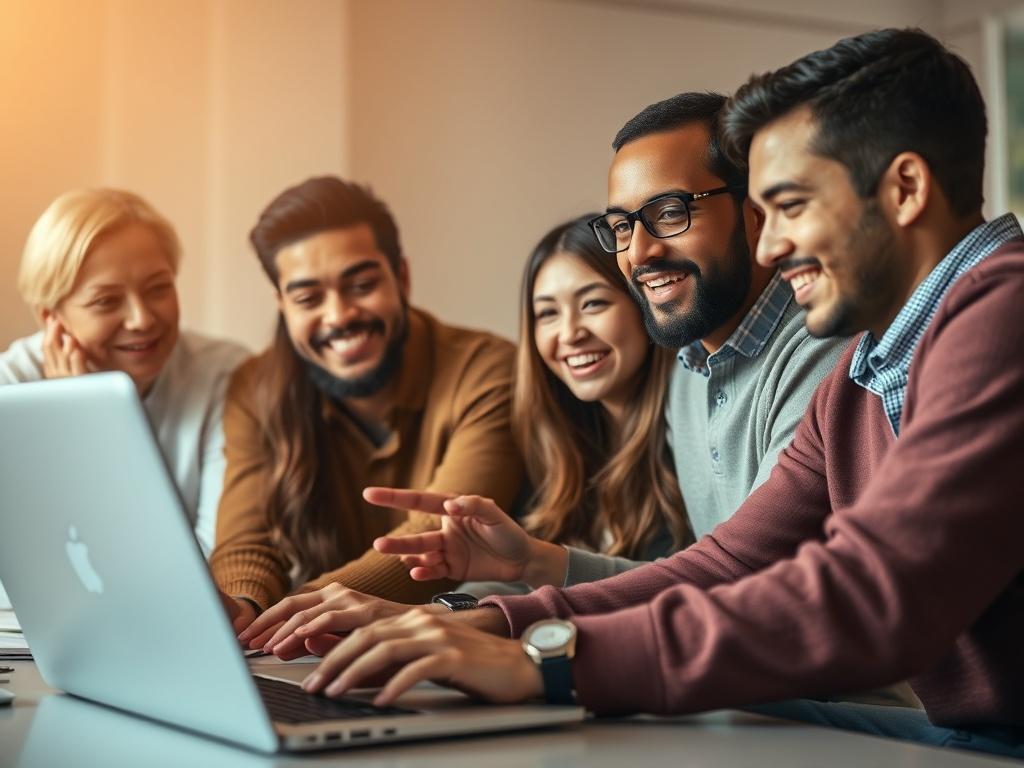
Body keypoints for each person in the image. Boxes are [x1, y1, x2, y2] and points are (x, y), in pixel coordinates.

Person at [291, 29, 1024, 758]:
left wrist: (552, 661)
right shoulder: (863, 373)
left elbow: (869, 594)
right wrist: (499, 624)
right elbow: (723, 566)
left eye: (791, 206)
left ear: (904, 189)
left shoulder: (1003, 311)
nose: (769, 246)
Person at [239, 93, 848, 657]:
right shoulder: (691, 370)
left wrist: (501, 626)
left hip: (839, 717)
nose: (639, 252)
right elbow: (699, 584)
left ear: (755, 215)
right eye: (622, 227)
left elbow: (743, 587)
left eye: (669, 213)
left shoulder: (820, 354)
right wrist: (537, 564)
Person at [242, 214, 692, 655]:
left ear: (644, 302)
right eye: (546, 314)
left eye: (593, 303)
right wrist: (426, 616)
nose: (569, 333)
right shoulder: (557, 442)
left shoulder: (688, 431)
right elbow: (514, 582)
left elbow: (705, 589)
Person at [210, 176, 524, 633]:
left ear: (402, 277)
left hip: (449, 644)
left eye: (360, 285)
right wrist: (243, 607)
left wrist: (288, 617)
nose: (338, 316)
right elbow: (248, 539)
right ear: (282, 306)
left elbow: (435, 537)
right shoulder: (253, 388)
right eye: (308, 298)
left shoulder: (489, 371)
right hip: (307, 651)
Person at [0, 188, 247, 556]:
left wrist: (98, 430)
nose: (142, 318)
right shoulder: (12, 387)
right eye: (106, 301)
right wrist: (77, 425)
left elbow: (215, 555)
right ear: (50, 318)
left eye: (158, 288)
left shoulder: (226, 374)